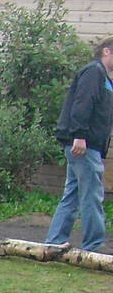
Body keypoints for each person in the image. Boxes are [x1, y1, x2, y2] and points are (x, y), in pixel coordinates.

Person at [46, 37, 113, 255]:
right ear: (106, 51)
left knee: (73, 194)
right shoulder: (94, 72)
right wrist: (80, 136)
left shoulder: (104, 78)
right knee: (92, 194)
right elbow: (83, 103)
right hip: (83, 144)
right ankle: (94, 245)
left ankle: (55, 241)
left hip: (88, 145)